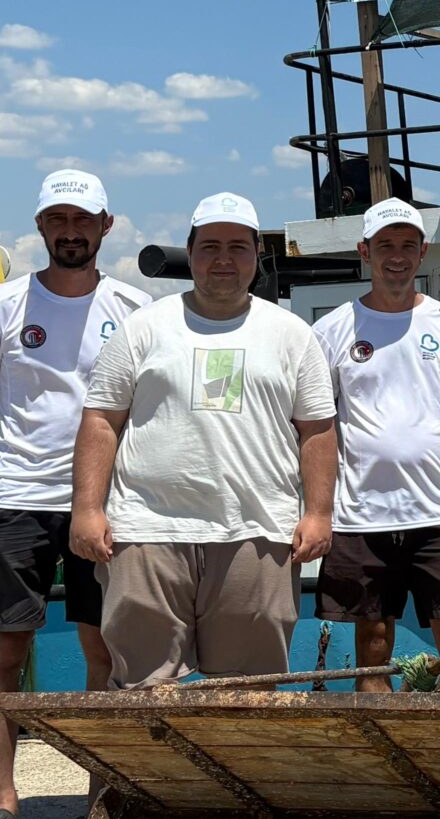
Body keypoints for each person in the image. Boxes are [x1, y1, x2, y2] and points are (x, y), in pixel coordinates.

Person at [71, 193, 336, 689]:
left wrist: (319, 514)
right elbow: (102, 419)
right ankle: (144, 772)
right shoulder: (143, 327)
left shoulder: (292, 334)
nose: (223, 259)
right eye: (210, 246)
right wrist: (87, 508)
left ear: (257, 255)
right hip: (148, 529)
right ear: (189, 253)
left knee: (249, 690)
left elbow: (317, 429)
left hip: (257, 530)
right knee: (142, 687)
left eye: (238, 247)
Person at [0, 168, 149, 819]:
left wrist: (91, 490)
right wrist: (19, 467)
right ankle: (1, 798)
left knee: (105, 648)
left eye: (82, 220)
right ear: (41, 228)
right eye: (57, 220)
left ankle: (100, 794)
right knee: (7, 648)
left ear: (105, 225)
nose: (70, 231)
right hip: (17, 502)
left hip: (105, 507)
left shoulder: (135, 307)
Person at [312, 199, 440, 695]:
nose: (397, 255)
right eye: (385, 244)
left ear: (423, 251)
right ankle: (390, 768)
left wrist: (434, 466)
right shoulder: (331, 330)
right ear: (364, 250)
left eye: (408, 245)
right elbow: (319, 423)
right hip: (361, 515)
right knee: (372, 648)